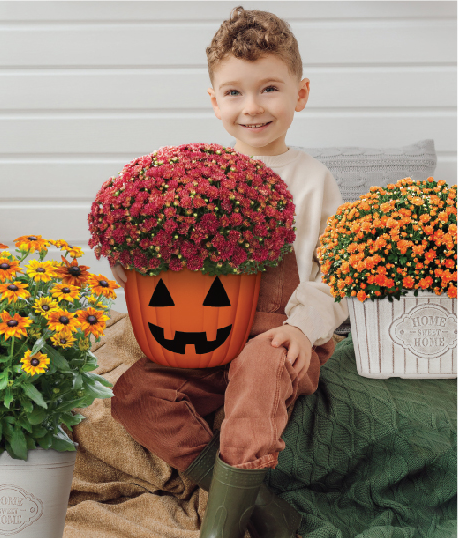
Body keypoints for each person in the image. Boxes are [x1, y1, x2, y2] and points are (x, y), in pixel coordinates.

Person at [109, 6, 349, 538]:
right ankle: (252, 501)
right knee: (134, 394)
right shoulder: (200, 179)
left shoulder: (312, 180)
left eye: (269, 89)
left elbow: (334, 276)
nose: (253, 107)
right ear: (214, 100)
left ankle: (220, 528)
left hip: (282, 334)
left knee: (260, 369)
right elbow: (176, 274)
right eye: (235, 92)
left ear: (300, 94)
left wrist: (303, 329)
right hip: (208, 336)